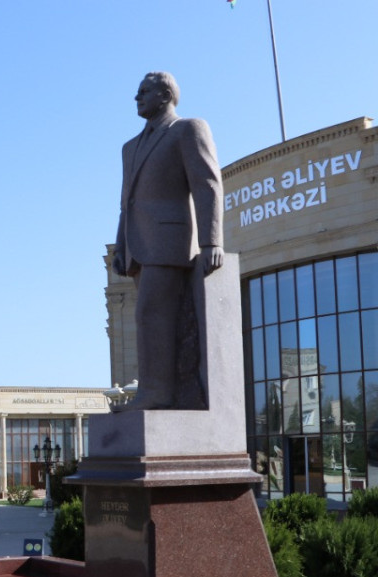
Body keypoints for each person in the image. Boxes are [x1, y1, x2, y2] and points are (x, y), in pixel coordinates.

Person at [111, 70, 224, 412]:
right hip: (139, 246)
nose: (137, 97)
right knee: (146, 317)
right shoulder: (130, 147)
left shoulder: (188, 129)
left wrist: (211, 242)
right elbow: (126, 203)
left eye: (143, 91)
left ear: (165, 95)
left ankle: (157, 394)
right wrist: (121, 245)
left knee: (152, 313)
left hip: (171, 241)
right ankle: (154, 390)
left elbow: (207, 185)